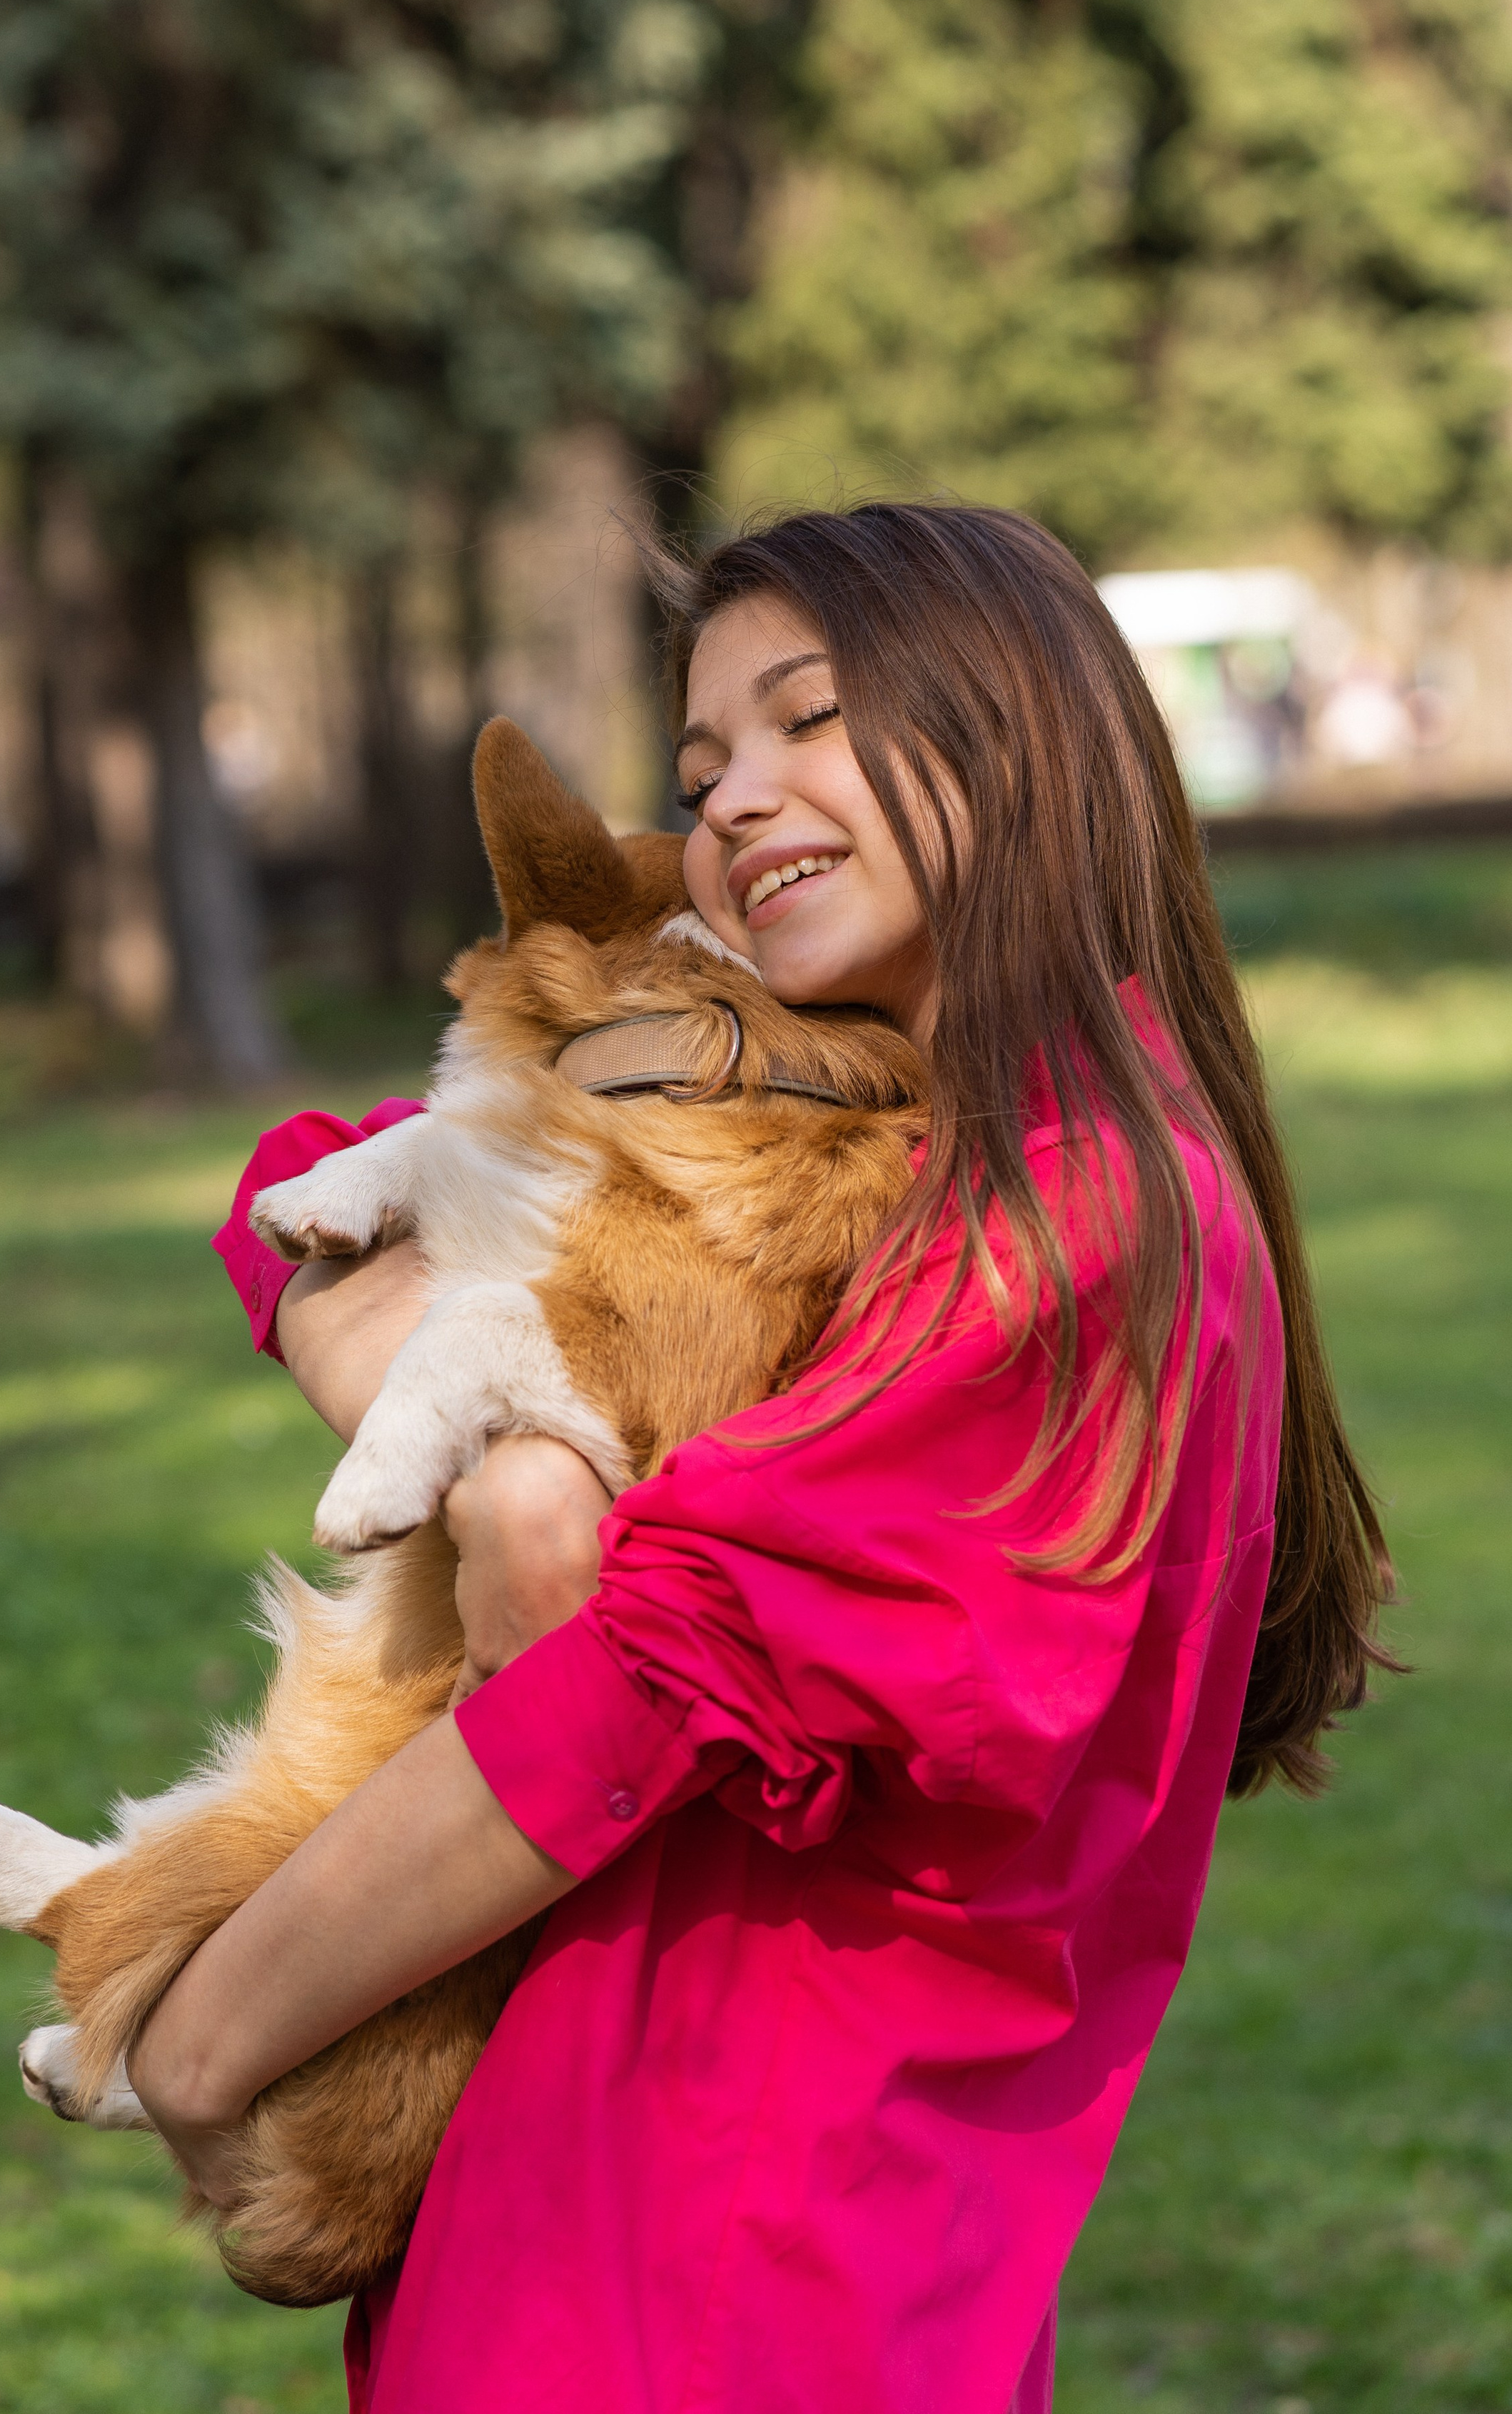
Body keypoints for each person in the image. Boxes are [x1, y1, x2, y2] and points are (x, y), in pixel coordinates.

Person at [129, 503, 1393, 2413]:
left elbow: (624, 1690)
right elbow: (310, 1190)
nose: (731, 798)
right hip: (636, 2216)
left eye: (809, 715)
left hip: (716, 2272)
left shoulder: (1076, 1224)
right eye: (704, 757)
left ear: (1022, 728)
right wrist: (516, 1475)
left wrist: (211, 2033)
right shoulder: (889, 1155)